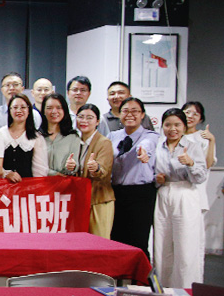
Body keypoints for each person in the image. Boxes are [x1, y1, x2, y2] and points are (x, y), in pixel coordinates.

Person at [153, 108, 208, 288]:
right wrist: (157, 179)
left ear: (184, 126)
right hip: (163, 194)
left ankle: (186, 290)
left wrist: (190, 163)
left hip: (185, 193)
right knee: (162, 245)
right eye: (168, 125)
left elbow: (200, 177)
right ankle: (163, 289)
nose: (172, 129)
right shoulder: (158, 146)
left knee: (186, 245)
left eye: (177, 124)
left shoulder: (193, 146)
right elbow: (152, 173)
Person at [108, 97, 160, 256]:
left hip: (141, 194)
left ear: (142, 115)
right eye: (125, 111)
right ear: (119, 114)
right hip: (116, 193)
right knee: (117, 238)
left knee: (138, 239)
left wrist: (143, 153)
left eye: (135, 111)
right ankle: (119, 271)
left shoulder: (151, 136)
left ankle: (140, 272)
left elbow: (147, 146)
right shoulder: (112, 136)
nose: (130, 114)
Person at [68, 104, 114, 238]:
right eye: (81, 117)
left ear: (97, 121)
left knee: (99, 240)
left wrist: (96, 168)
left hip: (99, 200)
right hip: (80, 199)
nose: (84, 121)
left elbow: (104, 171)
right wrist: (71, 168)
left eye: (89, 118)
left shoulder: (104, 142)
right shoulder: (75, 141)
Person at [0, 94, 48, 181]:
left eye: (23, 107)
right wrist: (7, 174)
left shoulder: (36, 137)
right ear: (10, 110)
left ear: (29, 110)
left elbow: (40, 170)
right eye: (15, 107)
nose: (19, 110)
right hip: (3, 186)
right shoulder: (0, 134)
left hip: (28, 187)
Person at [182, 102, 217, 243]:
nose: (190, 116)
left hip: (196, 190)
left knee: (193, 236)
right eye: (187, 112)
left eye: (195, 114)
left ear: (200, 119)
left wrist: (212, 140)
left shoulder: (203, 137)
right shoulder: (173, 135)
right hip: (176, 190)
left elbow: (207, 165)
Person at [39, 93, 80, 176]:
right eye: (49, 108)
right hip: (41, 181)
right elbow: (35, 165)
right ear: (43, 111)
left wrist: (72, 166)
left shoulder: (73, 137)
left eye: (59, 108)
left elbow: (75, 166)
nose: (54, 111)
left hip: (65, 181)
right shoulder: (37, 136)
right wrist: (54, 174)